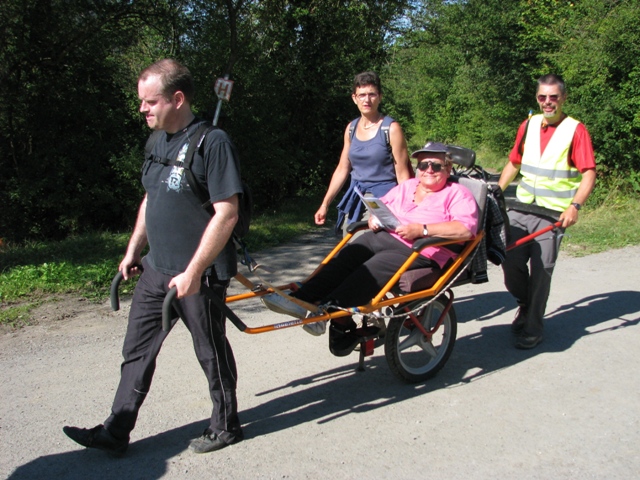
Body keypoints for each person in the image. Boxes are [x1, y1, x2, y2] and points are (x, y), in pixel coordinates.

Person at [63, 59, 244, 455]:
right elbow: (151, 198)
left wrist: (194, 271)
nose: (142, 109)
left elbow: (227, 212)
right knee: (136, 352)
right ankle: (116, 431)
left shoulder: (212, 142)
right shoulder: (156, 140)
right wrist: (133, 251)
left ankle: (226, 424)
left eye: (150, 102)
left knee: (210, 352)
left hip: (199, 274)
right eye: (141, 102)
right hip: (155, 270)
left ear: (177, 99)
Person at [264, 142, 479, 348]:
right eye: (423, 165)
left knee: (370, 270)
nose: (428, 170)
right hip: (387, 236)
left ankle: (326, 313)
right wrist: (375, 217)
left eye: (436, 165)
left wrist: (422, 230)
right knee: (349, 255)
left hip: (421, 249)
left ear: (448, 168)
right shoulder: (408, 186)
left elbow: (465, 229)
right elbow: (382, 205)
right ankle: (300, 299)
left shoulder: (458, 194)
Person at [498, 74, 596, 350]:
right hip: (521, 207)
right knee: (509, 261)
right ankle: (526, 305)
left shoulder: (575, 130)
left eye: (553, 97)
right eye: (543, 97)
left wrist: (575, 206)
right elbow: (513, 163)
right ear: (537, 98)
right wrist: (495, 192)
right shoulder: (527, 125)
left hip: (554, 214)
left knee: (542, 271)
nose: (548, 102)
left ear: (563, 98)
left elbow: (589, 172)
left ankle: (533, 327)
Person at [314, 71, 413, 236]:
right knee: (349, 247)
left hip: (384, 200)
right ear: (354, 98)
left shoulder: (391, 129)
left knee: (364, 247)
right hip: (357, 199)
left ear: (380, 97)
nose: (367, 100)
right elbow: (342, 169)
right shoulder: (351, 128)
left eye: (372, 94)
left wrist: (405, 209)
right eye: (362, 95)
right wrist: (325, 204)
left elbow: (403, 175)